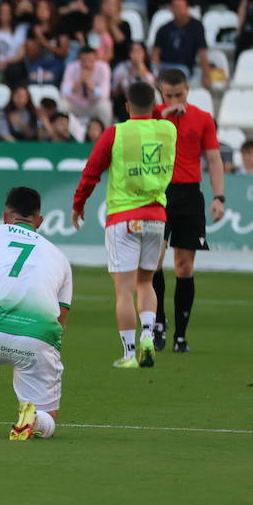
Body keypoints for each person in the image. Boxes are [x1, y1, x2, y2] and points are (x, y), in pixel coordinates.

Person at [72, 81, 178, 369]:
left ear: (127, 107)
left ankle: (130, 354)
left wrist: (79, 203)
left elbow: (92, 171)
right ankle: (148, 335)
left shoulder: (115, 133)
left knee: (124, 290)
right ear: (154, 104)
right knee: (146, 282)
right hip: (156, 218)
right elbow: (158, 115)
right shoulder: (168, 131)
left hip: (123, 217)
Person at [0, 186, 73, 440]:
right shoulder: (59, 257)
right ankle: (33, 418)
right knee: (49, 421)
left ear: (5, 216)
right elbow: (60, 321)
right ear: (40, 221)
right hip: (34, 338)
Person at [151, 68, 225, 354]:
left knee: (184, 266)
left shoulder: (202, 118)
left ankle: (181, 336)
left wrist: (219, 196)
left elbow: (214, 158)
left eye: (178, 94)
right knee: (154, 260)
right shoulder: (152, 117)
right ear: (161, 93)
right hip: (158, 193)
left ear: (187, 91)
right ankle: (158, 321)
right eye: (168, 95)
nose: (173, 100)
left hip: (189, 194)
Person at [152, 0, 211, 80]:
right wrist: (156, 68)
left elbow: (202, 51)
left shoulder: (196, 27)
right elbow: (155, 52)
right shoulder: (163, 29)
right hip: (163, 66)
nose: (178, 11)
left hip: (182, 67)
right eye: (175, 7)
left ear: (187, 8)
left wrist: (206, 75)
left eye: (180, 7)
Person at [61, 45, 113, 127]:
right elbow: (64, 92)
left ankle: (106, 135)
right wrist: (79, 82)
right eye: (84, 61)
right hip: (76, 105)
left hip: (94, 105)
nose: (87, 64)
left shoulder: (103, 68)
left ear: (96, 59)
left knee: (105, 106)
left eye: (90, 60)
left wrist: (88, 83)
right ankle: (63, 136)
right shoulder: (71, 67)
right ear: (79, 59)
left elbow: (104, 94)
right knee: (63, 105)